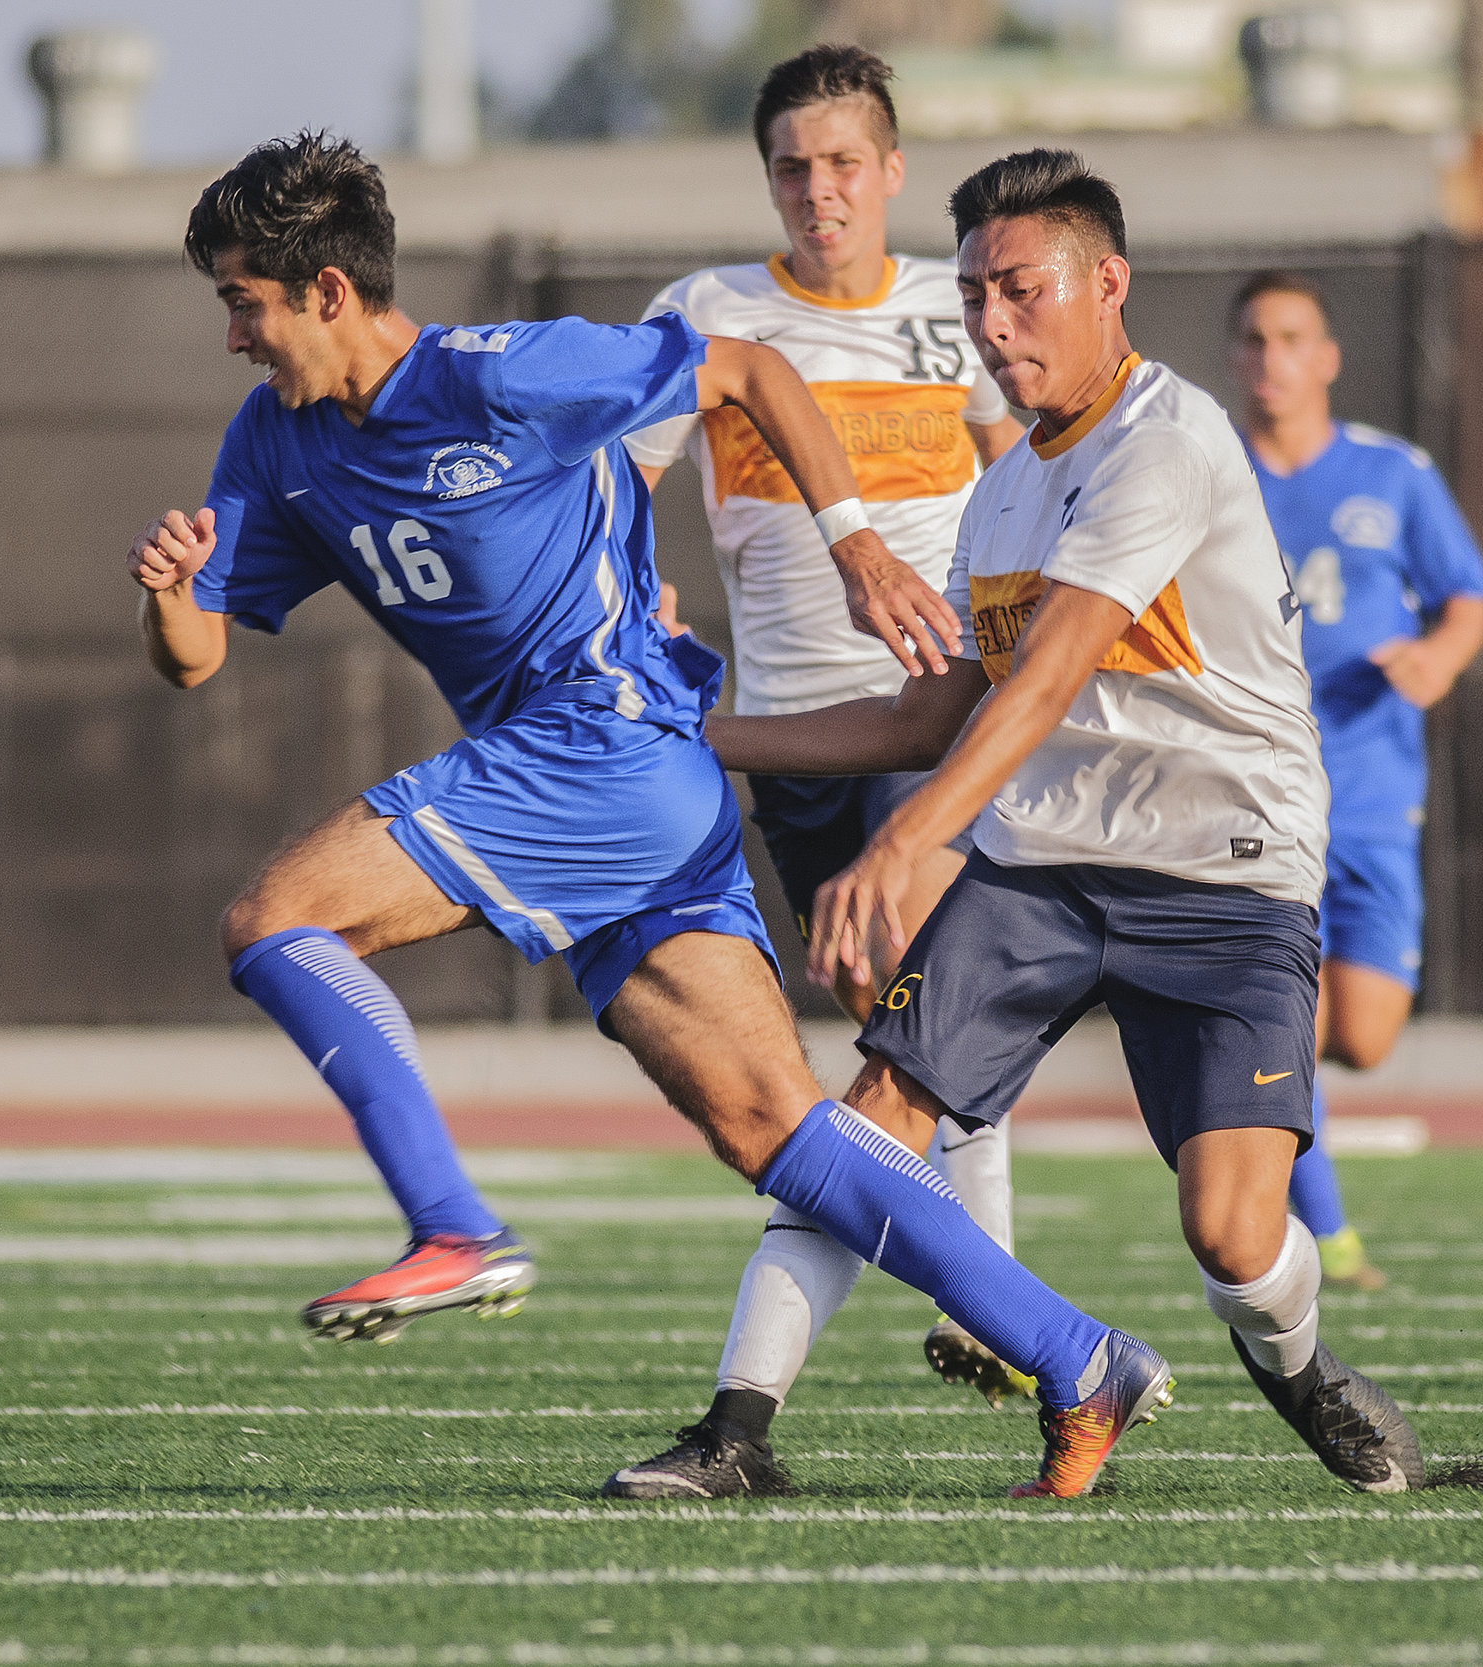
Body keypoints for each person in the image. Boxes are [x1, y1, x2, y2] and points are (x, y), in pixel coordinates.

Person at [132, 131, 1174, 1499]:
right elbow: (197, 655)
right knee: (777, 1125)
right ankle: (1078, 1349)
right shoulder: (273, 437)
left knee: (274, 920)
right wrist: (169, 591)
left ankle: (453, 1224)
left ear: (329, 291)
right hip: (625, 777)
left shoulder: (496, 375)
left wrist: (854, 542)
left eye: (244, 302)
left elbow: (744, 364)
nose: (232, 336)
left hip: (603, 741)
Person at [700, 149, 1426, 1496]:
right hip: (1045, 867)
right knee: (864, 1123)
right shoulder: (1006, 489)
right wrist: (702, 735)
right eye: (975, 293)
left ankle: (1305, 1367)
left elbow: (1045, 679)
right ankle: (735, 1429)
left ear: (1109, 284)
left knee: (1231, 1233)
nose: (991, 323)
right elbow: (932, 718)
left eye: (1021, 290)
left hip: (1225, 875)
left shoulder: (1170, 440)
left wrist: (905, 841)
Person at [605, 45, 1037, 1503]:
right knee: (894, 1031)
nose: (818, 189)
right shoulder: (711, 315)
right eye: (792, 165)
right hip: (789, 733)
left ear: (892, 170)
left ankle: (986, 1308)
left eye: (844, 161)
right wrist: (633, 601)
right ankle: (997, 1299)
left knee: (901, 1032)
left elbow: (1028, 471)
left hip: (937, 725)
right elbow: (621, 476)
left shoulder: (955, 310)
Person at [1232, 270, 1483, 1292]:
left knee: (1367, 1036)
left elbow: (1465, 594)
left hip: (1376, 789)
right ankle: (1328, 1235)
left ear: (1327, 356)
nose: (1272, 357)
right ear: (1234, 355)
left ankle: (1264, 1084)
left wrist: (1435, 659)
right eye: (1253, 339)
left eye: (1292, 336)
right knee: (1284, 1020)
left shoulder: (1393, 473)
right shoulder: (1213, 474)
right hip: (1259, 793)